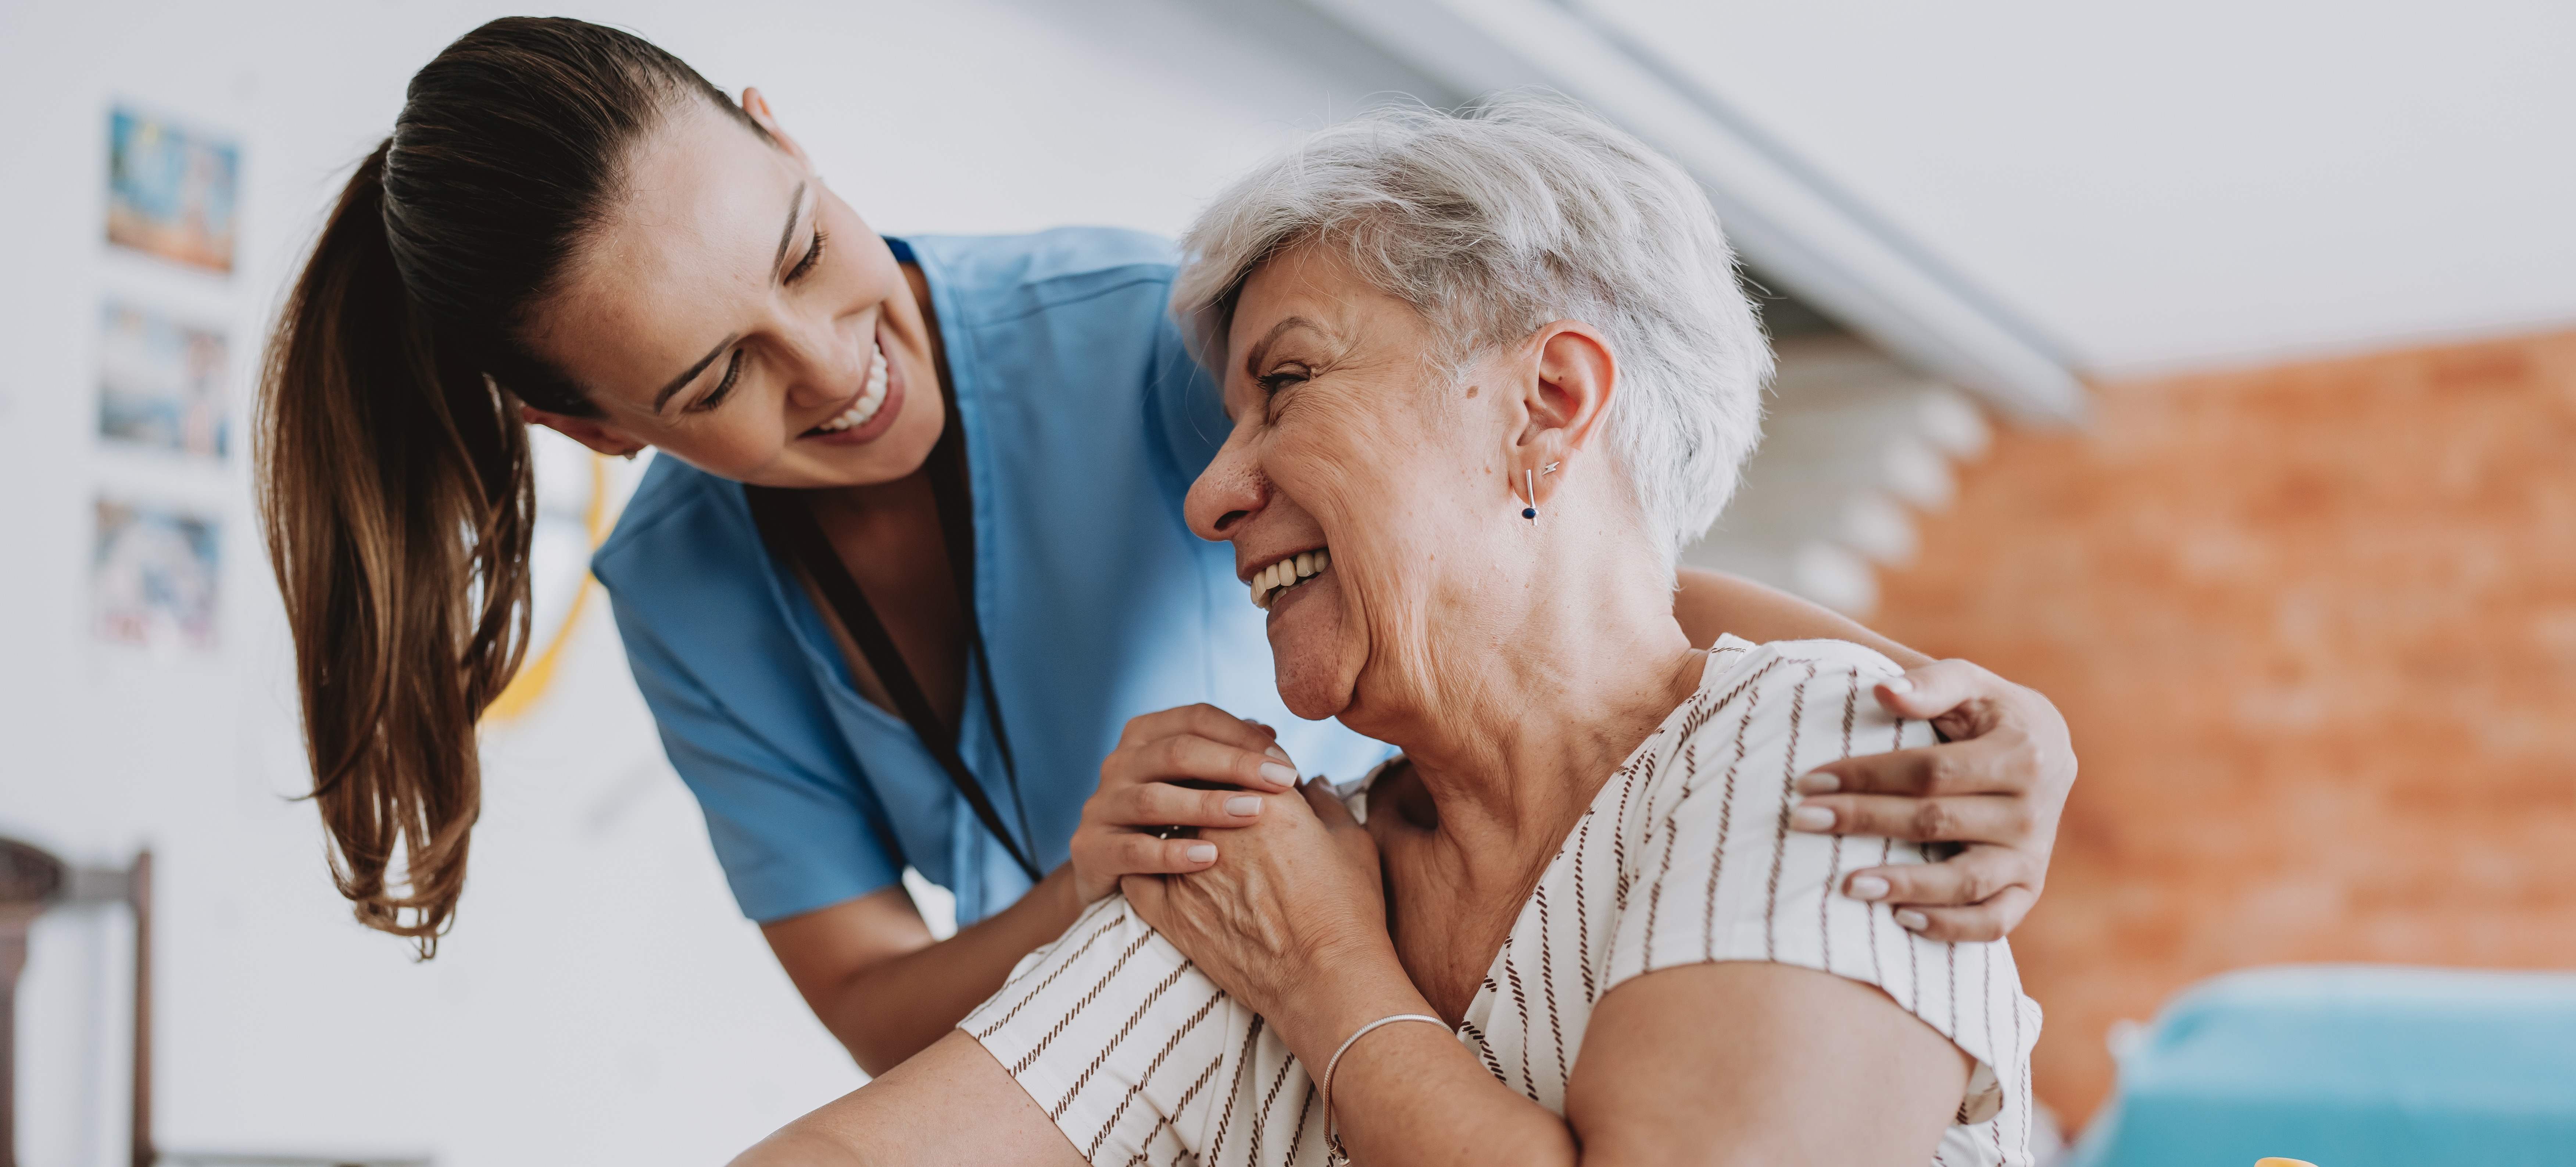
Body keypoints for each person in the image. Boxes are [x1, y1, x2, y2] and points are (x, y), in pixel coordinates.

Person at [254, 17, 2074, 1077]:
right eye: (714, 376)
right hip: (1145, 1072)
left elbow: (1578, 581)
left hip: (1447, 986)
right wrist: (1083, 889)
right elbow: (878, 1002)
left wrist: (1953, 703)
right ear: (597, 431)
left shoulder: (1144, 338)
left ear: (782, 135)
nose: (835, 367)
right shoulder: (685, 592)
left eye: (804, 248)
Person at [738, 97, 2038, 1167]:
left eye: (1287, 383)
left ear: (1547, 404)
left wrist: (1328, 977)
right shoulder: (1264, 863)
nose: (1208, 495)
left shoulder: (1829, 753)